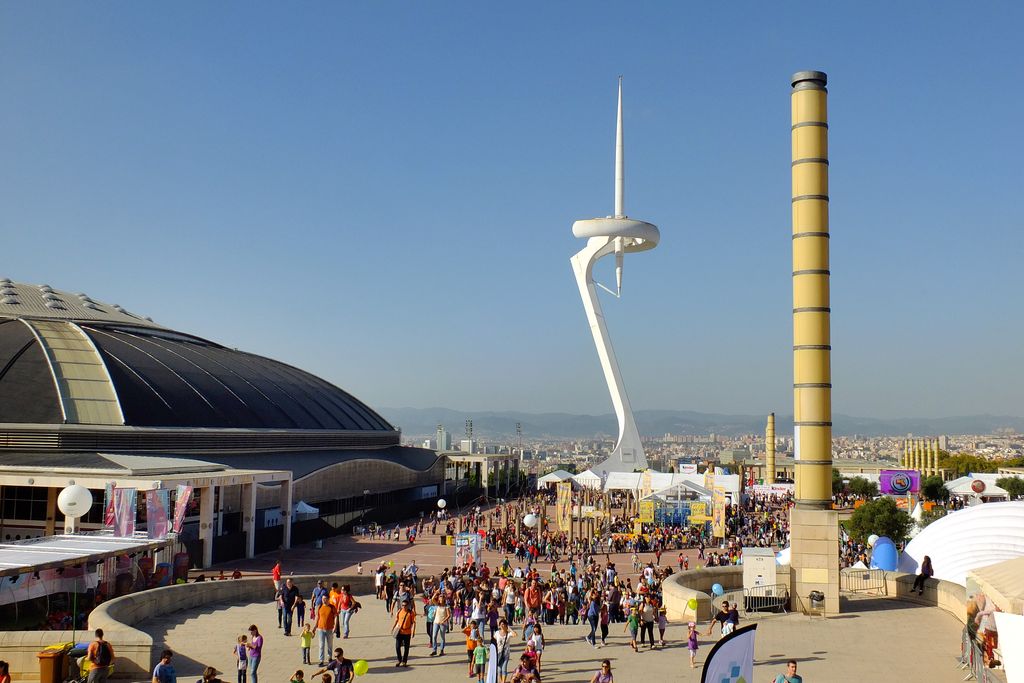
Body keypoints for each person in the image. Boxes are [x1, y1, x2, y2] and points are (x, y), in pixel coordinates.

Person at [392, 598, 416, 667]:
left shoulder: (411, 613)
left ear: (408, 606)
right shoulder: (399, 611)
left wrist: (413, 631)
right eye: (402, 605)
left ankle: (404, 661)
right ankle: (399, 660)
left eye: (405, 605)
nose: (404, 607)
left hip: (407, 632)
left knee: (406, 648)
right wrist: (393, 628)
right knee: (397, 647)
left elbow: (414, 623)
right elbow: (396, 620)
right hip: (399, 631)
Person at [315, 591, 338, 666]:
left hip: (329, 629)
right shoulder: (319, 606)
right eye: (322, 599)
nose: (323, 600)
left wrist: (335, 626)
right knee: (321, 645)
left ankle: (329, 658)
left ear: (328, 599)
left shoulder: (332, 607)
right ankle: (321, 660)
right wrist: (315, 627)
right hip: (321, 628)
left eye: (325, 599)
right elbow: (317, 617)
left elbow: (335, 617)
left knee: (330, 644)